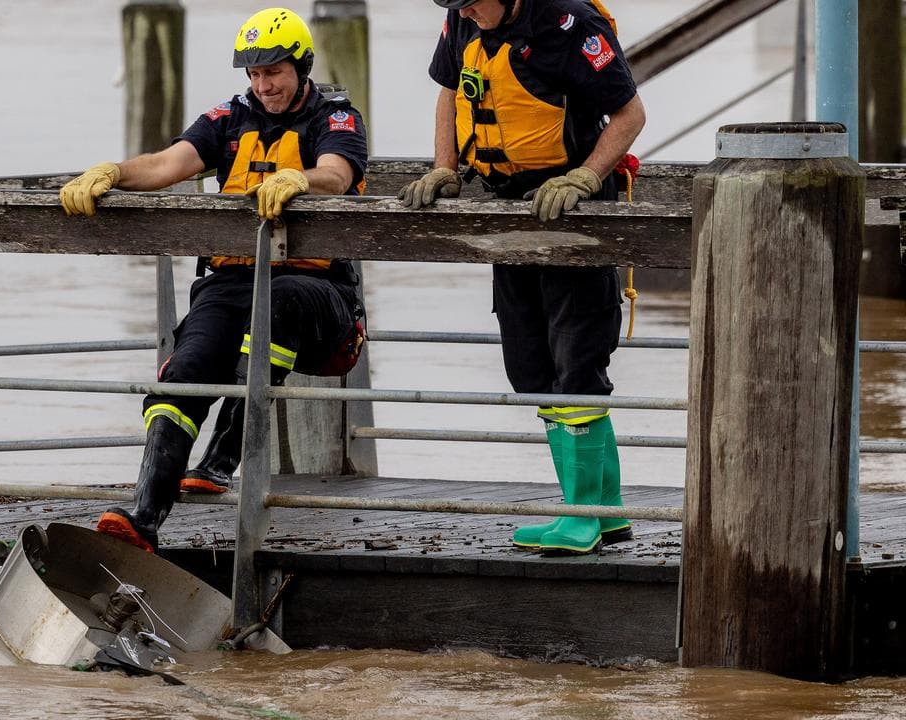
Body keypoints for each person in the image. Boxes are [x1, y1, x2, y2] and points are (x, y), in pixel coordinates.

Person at [60, 7, 369, 553]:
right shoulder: (229, 117)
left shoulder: (336, 118)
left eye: (273, 71)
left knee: (278, 307)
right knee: (184, 370)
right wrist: (112, 172)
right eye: (253, 74)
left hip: (321, 297)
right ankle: (144, 517)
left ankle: (222, 458)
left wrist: (301, 178)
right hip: (232, 282)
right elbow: (164, 165)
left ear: (301, 66)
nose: (263, 84)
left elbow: (339, 175)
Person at [399, 0, 646, 554]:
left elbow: (630, 115)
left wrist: (586, 176)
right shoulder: (464, 17)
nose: (471, 13)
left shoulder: (570, 23)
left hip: (574, 212)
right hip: (509, 210)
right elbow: (449, 91)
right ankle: (604, 514)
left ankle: (581, 516)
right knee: (530, 365)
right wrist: (444, 165)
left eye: (476, 2)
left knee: (577, 360)